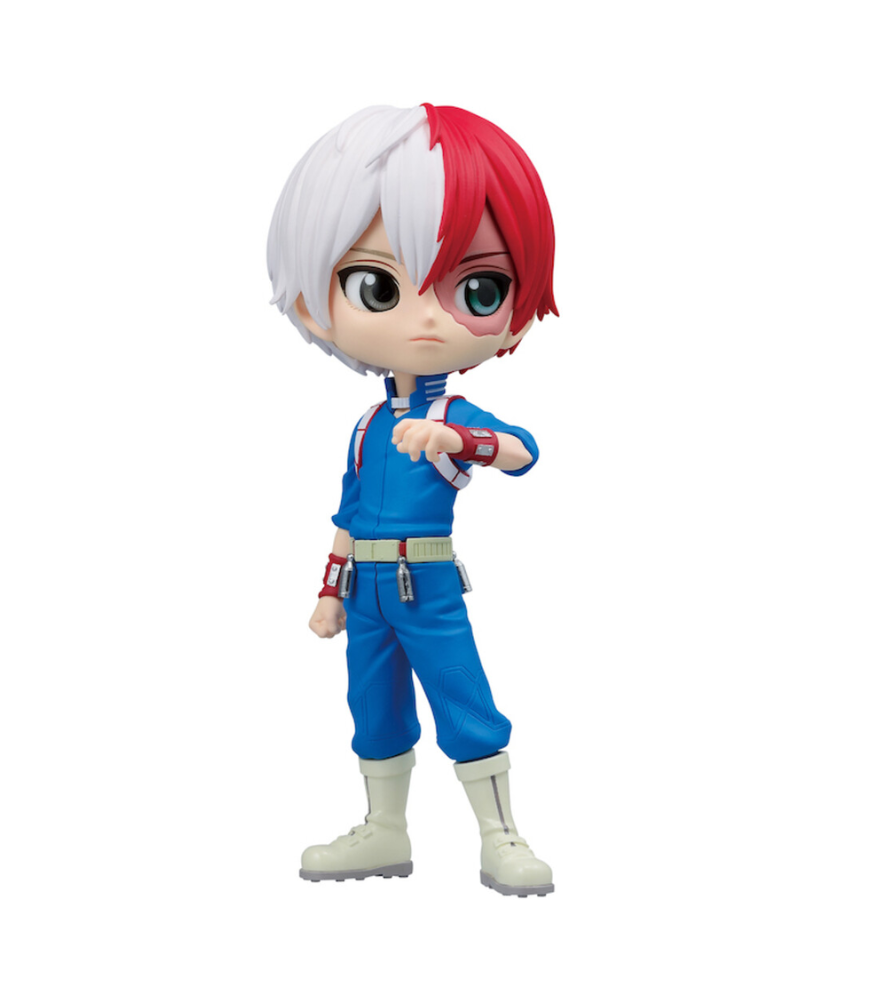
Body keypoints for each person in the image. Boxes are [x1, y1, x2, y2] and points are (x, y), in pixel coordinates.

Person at [268, 104, 558, 896]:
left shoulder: (453, 415)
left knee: (463, 697)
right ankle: (384, 828)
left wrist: (455, 440)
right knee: (373, 704)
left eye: (477, 286)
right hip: (366, 586)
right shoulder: (367, 426)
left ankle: (499, 834)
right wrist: (329, 593)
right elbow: (345, 518)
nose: (425, 317)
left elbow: (522, 450)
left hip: (424, 582)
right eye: (380, 285)